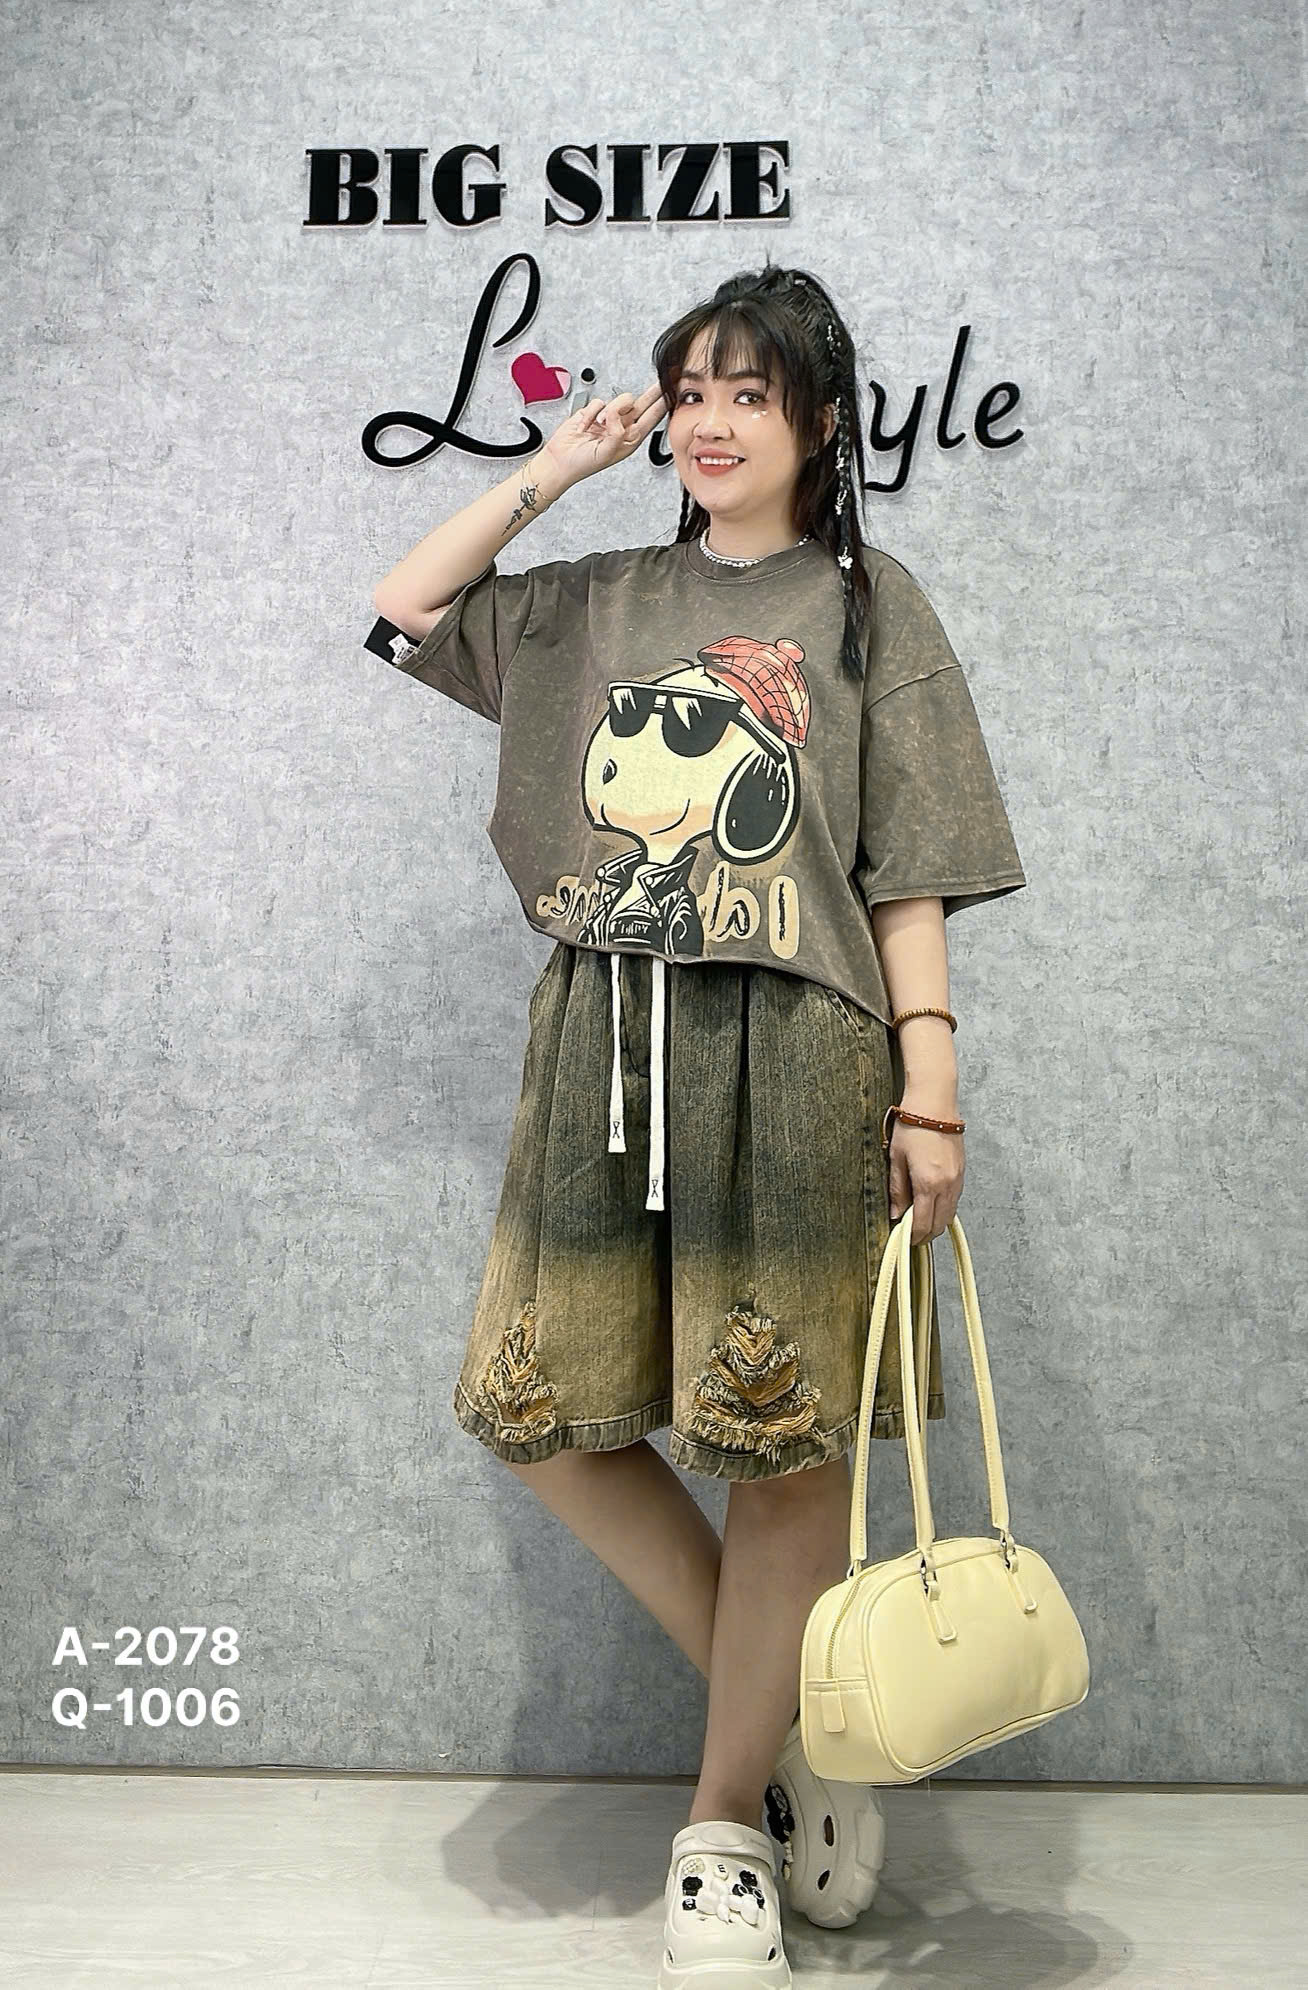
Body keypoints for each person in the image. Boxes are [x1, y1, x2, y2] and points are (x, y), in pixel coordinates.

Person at [370, 260, 1027, 1988]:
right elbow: (405, 607)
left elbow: (911, 867)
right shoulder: (599, 595)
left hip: (803, 1054)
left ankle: (722, 1826)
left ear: (823, 422)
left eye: (752, 392)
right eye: (692, 391)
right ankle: (793, 1723)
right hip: (606, 1044)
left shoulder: (872, 608)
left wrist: (934, 1084)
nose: (714, 422)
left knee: (788, 1443)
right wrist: (557, 467)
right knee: (541, 1409)